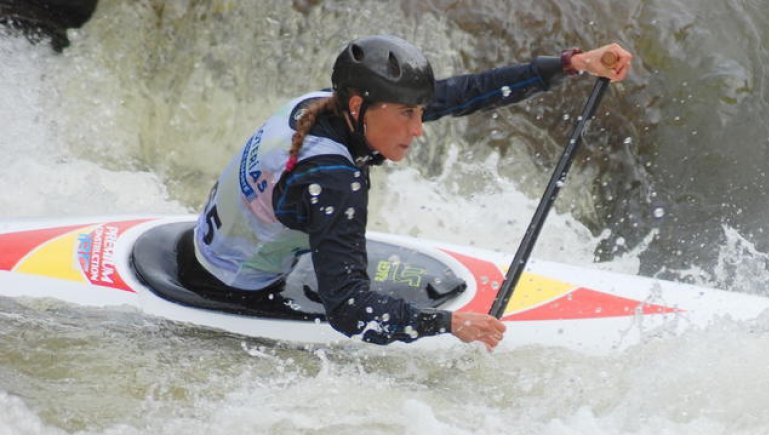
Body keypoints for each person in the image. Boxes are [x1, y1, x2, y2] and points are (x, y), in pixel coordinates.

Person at [179, 35, 633, 349]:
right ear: (359, 107)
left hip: (209, 247)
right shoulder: (335, 180)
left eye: (420, 112)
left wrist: (570, 64)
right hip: (235, 290)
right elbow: (350, 311)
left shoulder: (319, 105)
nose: (419, 130)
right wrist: (449, 324)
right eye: (407, 115)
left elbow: (460, 94)